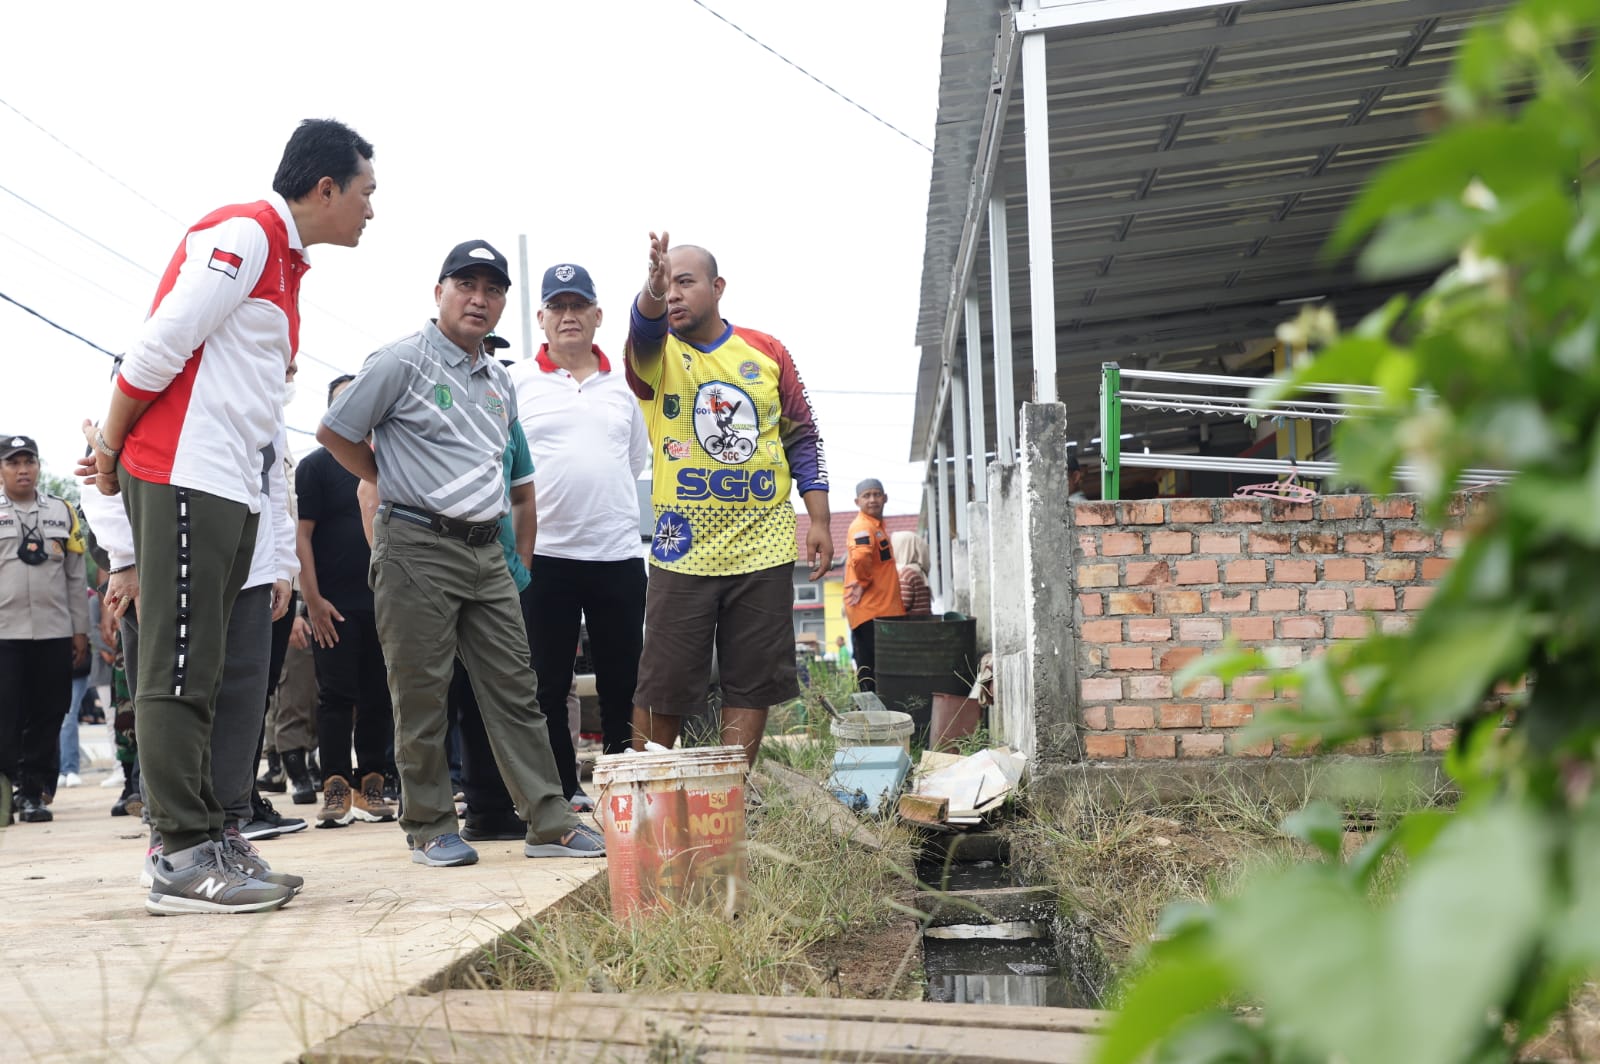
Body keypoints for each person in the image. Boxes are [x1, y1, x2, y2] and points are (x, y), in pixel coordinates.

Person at [82, 117, 376, 915]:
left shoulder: (285, 263)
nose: (370, 211)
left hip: (232, 486)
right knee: (177, 667)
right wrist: (109, 450)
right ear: (326, 188)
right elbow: (158, 345)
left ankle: (212, 834)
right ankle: (178, 857)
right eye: (365, 193)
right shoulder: (244, 234)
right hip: (181, 471)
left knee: (211, 669)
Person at [316, 238, 603, 868]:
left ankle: (550, 823)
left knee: (516, 689)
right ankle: (429, 826)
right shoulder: (401, 361)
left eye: (493, 289)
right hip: (416, 544)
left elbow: (507, 476)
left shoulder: (499, 379)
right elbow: (334, 431)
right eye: (466, 285)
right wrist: (390, 476)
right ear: (439, 291)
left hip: (485, 550)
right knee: (421, 691)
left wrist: (510, 551)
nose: (480, 299)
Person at [625, 233, 832, 766]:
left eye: (684, 282)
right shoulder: (656, 357)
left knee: (751, 681)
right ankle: (648, 793)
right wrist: (648, 292)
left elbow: (802, 437)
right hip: (681, 549)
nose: (672, 294)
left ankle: (730, 795)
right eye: (665, 284)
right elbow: (643, 329)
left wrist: (819, 520)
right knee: (663, 681)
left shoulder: (768, 352)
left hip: (762, 547)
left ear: (718, 288)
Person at [507, 263, 649, 770]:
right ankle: (561, 793)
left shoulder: (626, 383)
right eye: (559, 307)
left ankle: (620, 788)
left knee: (623, 683)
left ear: (597, 315)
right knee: (545, 684)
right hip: (544, 555)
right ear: (542, 317)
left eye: (578, 306)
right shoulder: (516, 381)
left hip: (617, 554)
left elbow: (633, 460)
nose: (569, 316)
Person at [296, 372, 396, 824]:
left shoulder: (388, 461)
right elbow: (302, 536)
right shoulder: (314, 467)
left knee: (380, 695)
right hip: (332, 606)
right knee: (334, 696)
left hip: (383, 601)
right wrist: (312, 600)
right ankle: (334, 787)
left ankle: (372, 785)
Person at [0, 436, 90, 824]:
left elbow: (75, 576)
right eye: (13, 462)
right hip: (5, 633)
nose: (23, 469)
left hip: (55, 631)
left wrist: (80, 630)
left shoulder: (62, 511)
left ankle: (34, 791)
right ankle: (7, 787)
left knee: (50, 711)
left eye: (29, 461)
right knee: (6, 714)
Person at [843, 478, 904, 692]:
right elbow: (860, 558)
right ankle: (871, 720)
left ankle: (880, 718)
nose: (872, 499)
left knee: (881, 670)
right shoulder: (862, 526)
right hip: (871, 612)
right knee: (872, 673)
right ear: (856, 501)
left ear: (885, 498)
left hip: (881, 611)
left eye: (877, 494)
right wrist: (862, 581)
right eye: (866, 496)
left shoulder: (876, 526)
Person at [891, 530, 933, 618]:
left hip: (911, 626)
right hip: (922, 624)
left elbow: (903, 604)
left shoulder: (905, 574)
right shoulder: (917, 570)